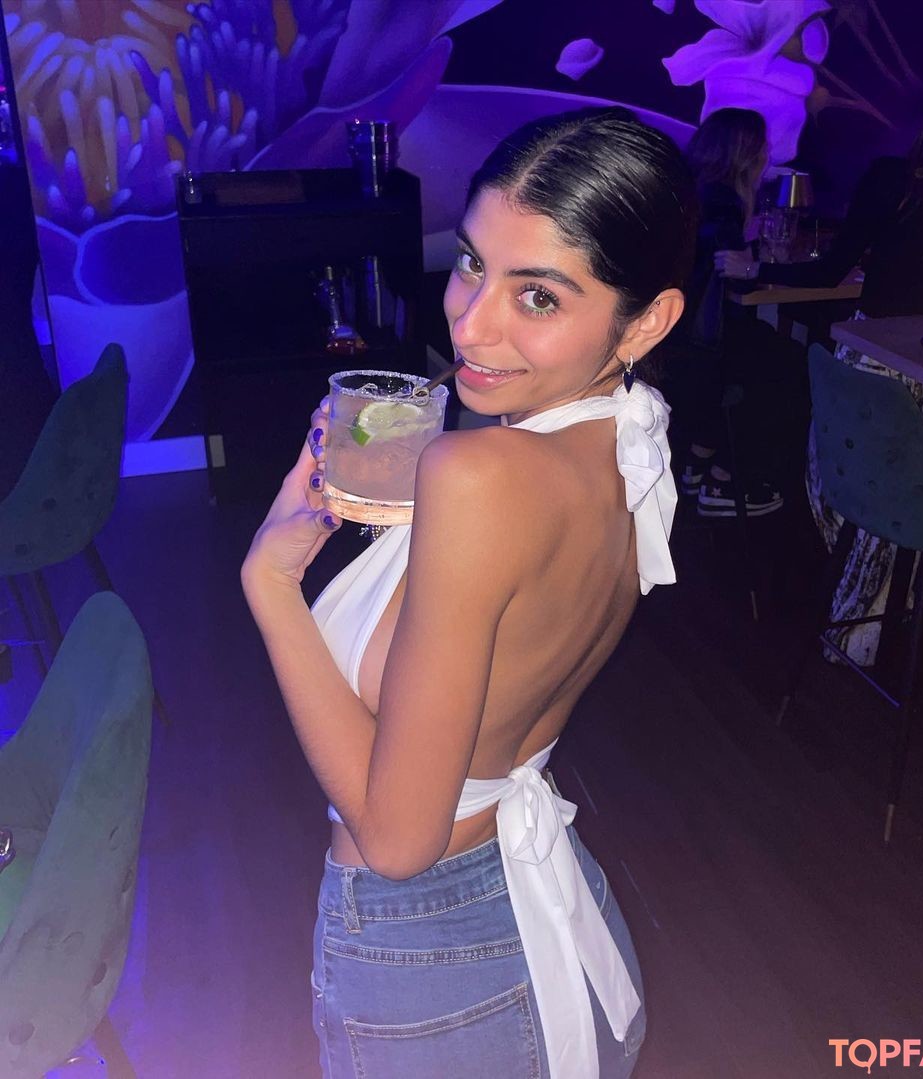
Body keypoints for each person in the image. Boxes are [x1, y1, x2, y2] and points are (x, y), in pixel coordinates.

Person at [241, 107, 696, 1078]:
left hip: (435, 959)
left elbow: (398, 840)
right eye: (471, 264)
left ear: (647, 320)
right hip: (539, 922)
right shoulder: (624, 443)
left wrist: (271, 582)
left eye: (538, 296)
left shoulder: (479, 478)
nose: (471, 320)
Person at [716, 64, 923, 665]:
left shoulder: (896, 181)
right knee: (884, 500)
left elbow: (829, 271)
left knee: (841, 488)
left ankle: (864, 619)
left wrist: (756, 269)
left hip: (869, 372)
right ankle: (877, 610)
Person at [672, 106, 792, 518]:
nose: (768, 156)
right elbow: (735, 277)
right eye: (763, 148)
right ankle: (725, 480)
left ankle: (696, 461)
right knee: (787, 365)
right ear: (745, 156)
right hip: (702, 348)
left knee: (768, 352)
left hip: (675, 339)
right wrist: (755, 254)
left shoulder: (690, 191)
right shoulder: (723, 203)